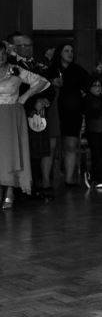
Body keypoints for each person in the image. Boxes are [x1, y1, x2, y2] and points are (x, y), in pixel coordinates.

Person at [7, 32, 57, 198]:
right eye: (24, 46)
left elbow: (49, 87)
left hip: (36, 115)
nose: (28, 49)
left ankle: (33, 186)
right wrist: (30, 102)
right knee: (17, 151)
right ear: (12, 47)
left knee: (35, 152)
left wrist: (44, 99)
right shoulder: (9, 64)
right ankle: (15, 189)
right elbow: (14, 89)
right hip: (15, 113)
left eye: (30, 45)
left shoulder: (39, 65)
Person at [0, 42, 49, 209]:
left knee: (9, 153)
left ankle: (9, 192)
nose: (0, 57)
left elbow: (41, 81)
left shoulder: (15, 69)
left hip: (11, 115)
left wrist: (25, 96)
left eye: (3, 53)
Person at [51, 44, 90, 187]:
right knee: (52, 147)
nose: (70, 53)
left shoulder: (78, 70)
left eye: (72, 51)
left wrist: (83, 94)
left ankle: (68, 180)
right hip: (54, 112)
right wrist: (52, 82)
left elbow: (89, 84)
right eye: (66, 50)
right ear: (59, 53)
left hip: (73, 113)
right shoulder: (52, 68)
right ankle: (49, 180)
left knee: (71, 145)